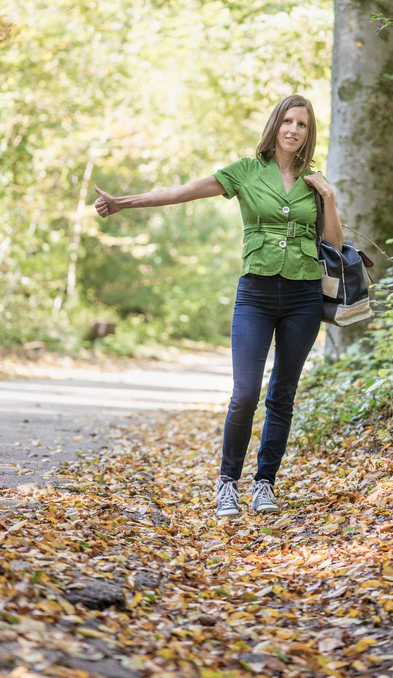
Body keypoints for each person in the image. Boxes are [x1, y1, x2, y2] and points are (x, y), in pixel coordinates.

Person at [93, 94, 344, 518]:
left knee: (282, 395)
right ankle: (228, 483)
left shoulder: (315, 182)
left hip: (303, 296)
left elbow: (334, 245)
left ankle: (265, 484)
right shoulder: (245, 171)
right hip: (257, 294)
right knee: (245, 393)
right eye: (287, 121)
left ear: (308, 132)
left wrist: (330, 198)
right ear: (275, 126)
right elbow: (182, 192)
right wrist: (124, 202)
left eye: (302, 124)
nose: (294, 130)